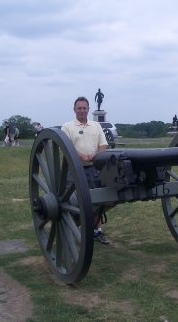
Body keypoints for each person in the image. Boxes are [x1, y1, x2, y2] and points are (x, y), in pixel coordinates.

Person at [62, 96, 109, 245]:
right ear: (74, 110)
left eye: (84, 108)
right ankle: (69, 229)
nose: (82, 110)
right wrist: (82, 156)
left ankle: (97, 231)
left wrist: (95, 156)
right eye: (79, 108)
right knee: (73, 201)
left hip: (93, 168)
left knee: (96, 199)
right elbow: (67, 147)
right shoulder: (67, 127)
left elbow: (103, 145)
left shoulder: (96, 126)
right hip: (74, 170)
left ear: (88, 109)